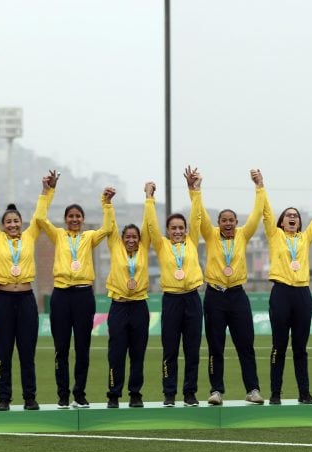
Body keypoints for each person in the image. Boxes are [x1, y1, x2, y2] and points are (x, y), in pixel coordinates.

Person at [34, 175, 115, 409]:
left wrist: (106, 203)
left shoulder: (89, 237)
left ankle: (79, 394)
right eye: (70, 217)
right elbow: (40, 218)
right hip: (60, 295)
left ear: (83, 219)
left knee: (82, 348)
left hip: (83, 296)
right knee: (61, 348)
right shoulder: (58, 235)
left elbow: (109, 228)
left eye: (78, 216)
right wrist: (47, 191)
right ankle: (62, 395)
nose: (74, 220)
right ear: (65, 219)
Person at [0, 167, 53, 411]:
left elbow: (40, 215)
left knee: (26, 351)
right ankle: (4, 398)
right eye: (8, 222)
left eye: (16, 221)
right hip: (3, 300)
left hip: (26, 299)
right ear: (3, 226)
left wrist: (46, 190)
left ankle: (29, 397)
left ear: (22, 223)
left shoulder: (30, 235)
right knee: (3, 351)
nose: (12, 224)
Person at [263, 180, 312, 405]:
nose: (292, 217)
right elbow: (266, 212)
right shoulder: (275, 236)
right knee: (279, 345)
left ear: (299, 221)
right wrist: (260, 187)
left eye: (295, 215)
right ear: (282, 221)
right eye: (288, 215)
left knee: (300, 348)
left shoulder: (305, 238)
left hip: (302, 295)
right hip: (281, 294)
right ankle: (275, 392)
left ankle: (304, 392)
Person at [200, 169, 266, 406]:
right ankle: (216, 390)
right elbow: (199, 215)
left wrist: (259, 186)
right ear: (217, 223)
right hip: (214, 295)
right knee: (215, 346)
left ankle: (253, 389)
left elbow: (258, 214)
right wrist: (194, 190)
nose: (228, 224)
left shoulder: (242, 235)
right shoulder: (209, 235)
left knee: (245, 344)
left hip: (237, 295)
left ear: (237, 223)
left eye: (231, 220)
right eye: (224, 220)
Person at [145, 167, 204, 407]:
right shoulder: (161, 245)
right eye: (174, 228)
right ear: (168, 231)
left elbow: (197, 215)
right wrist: (149, 198)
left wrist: (195, 190)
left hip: (192, 299)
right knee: (170, 350)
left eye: (181, 228)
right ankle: (169, 393)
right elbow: (150, 226)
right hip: (171, 300)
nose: (178, 231)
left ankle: (189, 393)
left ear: (187, 231)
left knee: (192, 350)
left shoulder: (192, 241)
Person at [104, 182, 153, 409]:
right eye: (128, 237)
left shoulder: (144, 249)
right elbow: (111, 227)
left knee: (137, 354)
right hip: (119, 306)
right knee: (116, 353)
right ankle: (114, 394)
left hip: (139, 307)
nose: (132, 239)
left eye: (135, 236)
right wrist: (107, 203)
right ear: (122, 239)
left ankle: (135, 393)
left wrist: (149, 197)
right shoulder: (115, 248)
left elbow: (148, 224)